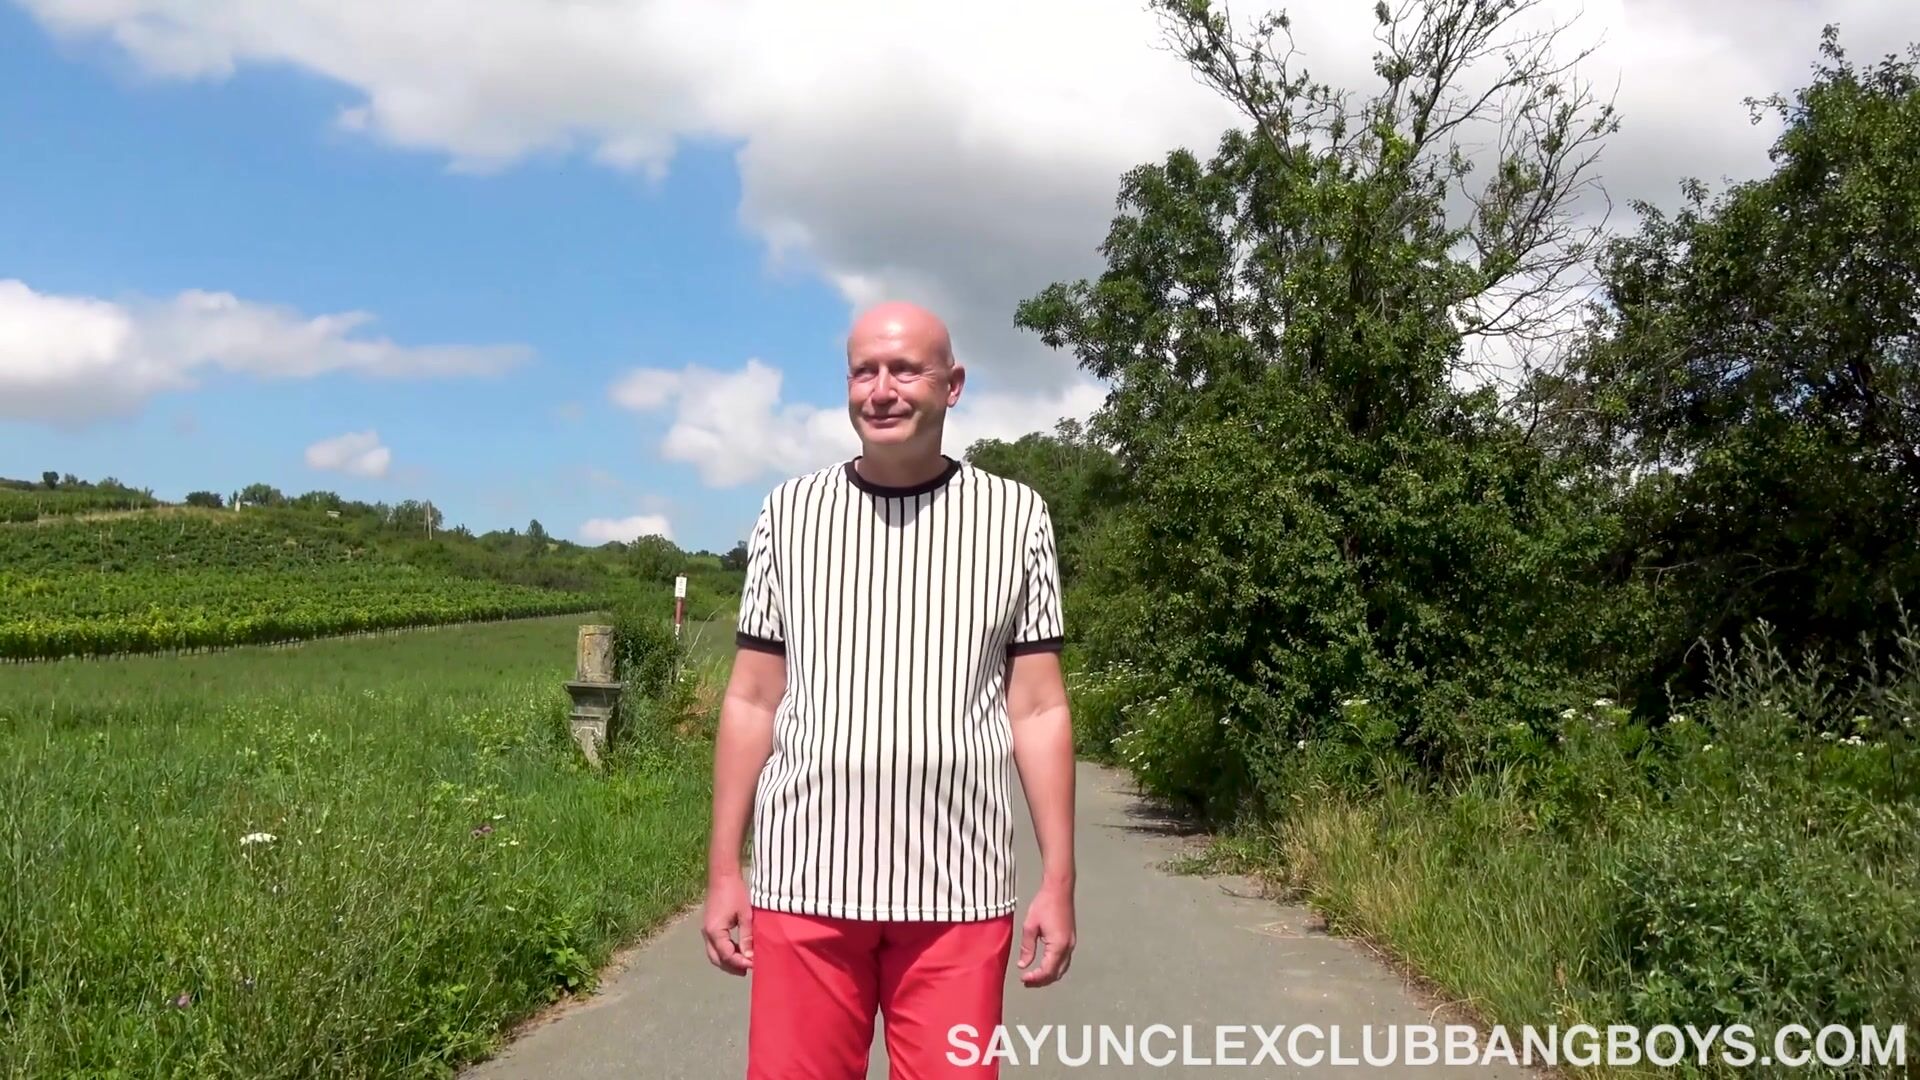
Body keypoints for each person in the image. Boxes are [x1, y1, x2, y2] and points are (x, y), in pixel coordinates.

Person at [703, 300, 1078, 1078]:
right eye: (863, 371)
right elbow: (752, 698)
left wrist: (1059, 879)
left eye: (905, 370)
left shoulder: (1016, 517)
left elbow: (1039, 708)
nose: (881, 390)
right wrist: (724, 868)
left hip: (959, 888)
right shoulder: (789, 514)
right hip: (805, 879)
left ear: (953, 385)